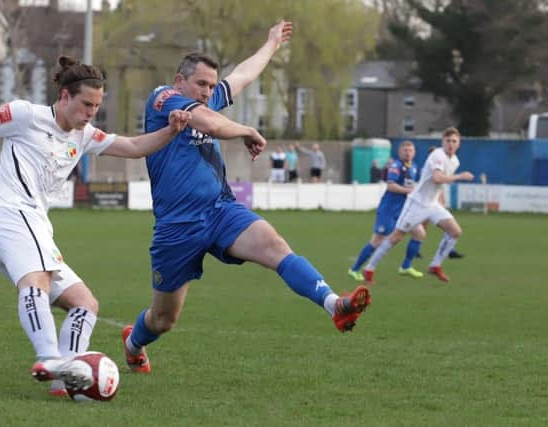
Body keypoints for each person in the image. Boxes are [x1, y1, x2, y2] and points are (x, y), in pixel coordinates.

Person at [0, 55, 191, 395]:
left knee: (85, 304)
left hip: (35, 226)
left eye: (97, 106)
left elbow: (132, 146)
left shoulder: (84, 135)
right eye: (86, 104)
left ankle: (64, 377)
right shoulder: (27, 115)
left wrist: (172, 130)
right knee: (36, 280)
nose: (91, 113)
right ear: (65, 96)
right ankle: (48, 357)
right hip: (12, 216)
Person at [121, 20, 371, 375]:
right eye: (200, 84)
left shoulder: (207, 101)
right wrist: (247, 130)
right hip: (177, 226)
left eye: (211, 86)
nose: (208, 92)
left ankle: (335, 305)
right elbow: (209, 124)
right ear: (180, 81)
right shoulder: (163, 100)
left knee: (275, 246)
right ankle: (133, 344)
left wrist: (271, 44)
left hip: (221, 210)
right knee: (163, 319)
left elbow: (241, 76)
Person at [362, 127, 474, 284]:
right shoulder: (438, 155)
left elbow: (439, 183)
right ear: (443, 142)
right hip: (417, 203)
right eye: (448, 140)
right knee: (396, 237)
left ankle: (435, 265)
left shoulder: (455, 160)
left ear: (459, 144)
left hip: (432, 204)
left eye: (454, 141)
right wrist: (459, 176)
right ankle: (369, 269)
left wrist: (440, 200)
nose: (450, 144)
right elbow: (436, 178)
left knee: (455, 231)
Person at [348, 141, 425, 281]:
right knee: (377, 241)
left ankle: (406, 266)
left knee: (419, 233)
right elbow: (390, 186)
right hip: (389, 210)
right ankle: (354, 269)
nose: (408, 152)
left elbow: (414, 185)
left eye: (410, 150)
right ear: (400, 152)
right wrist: (409, 191)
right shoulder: (396, 166)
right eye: (405, 150)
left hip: (404, 210)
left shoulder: (414, 167)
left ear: (414, 153)